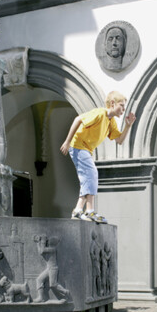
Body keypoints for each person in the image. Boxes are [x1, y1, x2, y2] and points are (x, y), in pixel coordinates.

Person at [60, 91, 136, 223]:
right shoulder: (100, 113)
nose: (123, 109)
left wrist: (128, 126)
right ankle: (89, 211)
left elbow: (119, 140)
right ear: (112, 104)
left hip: (85, 149)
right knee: (91, 174)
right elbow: (78, 119)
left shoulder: (111, 122)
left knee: (88, 177)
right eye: (121, 105)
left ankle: (79, 210)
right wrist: (67, 141)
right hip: (78, 146)